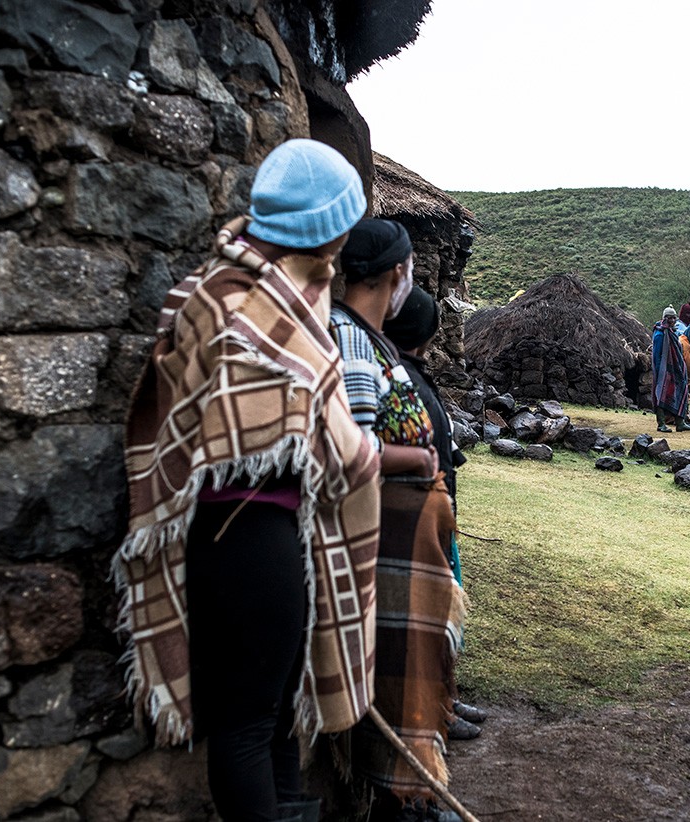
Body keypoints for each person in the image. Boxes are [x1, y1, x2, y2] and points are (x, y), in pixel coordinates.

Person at [115, 139, 379, 822]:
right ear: (326, 224)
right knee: (246, 725)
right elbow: (278, 430)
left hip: (271, 532)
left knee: (278, 715)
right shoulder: (251, 303)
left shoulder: (247, 289)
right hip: (243, 534)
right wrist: (357, 456)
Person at [331, 220, 464, 822]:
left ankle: (404, 789)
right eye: (409, 269)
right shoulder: (353, 343)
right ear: (394, 274)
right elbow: (354, 452)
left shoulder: (368, 337)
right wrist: (419, 457)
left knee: (403, 675)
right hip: (379, 548)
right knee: (389, 680)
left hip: (404, 549)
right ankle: (400, 795)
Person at [383, 286, 488, 742]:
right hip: (421, 517)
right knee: (428, 614)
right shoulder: (403, 379)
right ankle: (433, 711)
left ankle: (445, 695)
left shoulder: (410, 376)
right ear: (426, 334)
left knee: (443, 607)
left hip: (435, 512)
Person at [651, 305, 690, 433]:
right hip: (663, 370)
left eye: (673, 318)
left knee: (681, 391)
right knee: (661, 393)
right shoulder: (659, 334)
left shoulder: (673, 332)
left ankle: (680, 423)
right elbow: (657, 355)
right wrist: (661, 372)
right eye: (668, 318)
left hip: (676, 369)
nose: (671, 321)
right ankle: (661, 424)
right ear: (664, 318)